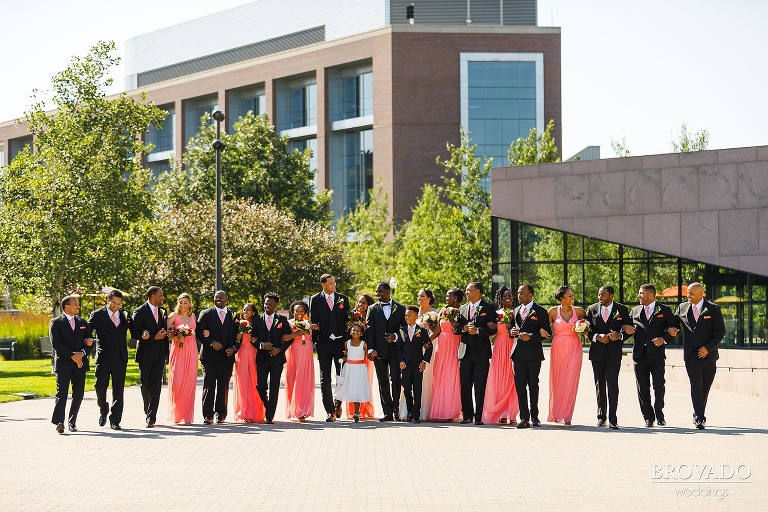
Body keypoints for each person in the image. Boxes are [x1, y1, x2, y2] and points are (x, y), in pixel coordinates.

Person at [672, 282, 725, 430]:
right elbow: (674, 324)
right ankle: (700, 419)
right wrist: (669, 330)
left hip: (709, 355)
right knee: (696, 385)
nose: (688, 296)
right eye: (687, 293)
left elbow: (720, 332)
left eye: (691, 294)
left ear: (701, 294)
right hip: (691, 355)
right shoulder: (682, 308)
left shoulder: (713, 309)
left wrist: (708, 348)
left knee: (705, 387)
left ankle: (697, 413)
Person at [624, 284, 678, 427]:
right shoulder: (635, 310)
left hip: (657, 355)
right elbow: (627, 326)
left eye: (641, 293)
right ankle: (648, 417)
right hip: (640, 356)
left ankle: (659, 414)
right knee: (642, 388)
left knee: (659, 385)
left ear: (651, 295)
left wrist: (664, 339)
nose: (639, 296)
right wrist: (624, 329)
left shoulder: (664, 310)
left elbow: (674, 329)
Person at [584, 285, 631, 429]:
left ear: (611, 296)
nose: (600, 297)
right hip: (597, 353)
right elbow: (586, 330)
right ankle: (601, 417)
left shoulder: (622, 310)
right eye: (599, 294)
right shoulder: (591, 309)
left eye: (603, 295)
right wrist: (597, 337)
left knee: (612, 384)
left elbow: (629, 328)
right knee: (599, 385)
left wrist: (620, 336)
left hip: (614, 353)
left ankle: (613, 418)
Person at [309, 274, 351, 422]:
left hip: (340, 343)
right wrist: (314, 340)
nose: (334, 285)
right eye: (331, 283)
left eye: (335, 282)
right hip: (324, 343)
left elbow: (348, 319)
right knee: (324, 378)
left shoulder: (342, 299)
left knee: (341, 377)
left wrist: (347, 341)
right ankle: (330, 411)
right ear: (323, 284)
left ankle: (338, 403)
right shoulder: (315, 299)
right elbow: (313, 320)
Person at [87, 289, 130, 430]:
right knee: (100, 387)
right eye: (113, 303)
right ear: (108, 300)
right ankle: (104, 409)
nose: (116, 306)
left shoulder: (125, 315)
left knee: (118, 390)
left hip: (120, 358)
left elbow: (136, 329)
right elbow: (87, 332)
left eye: (119, 304)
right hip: (104, 358)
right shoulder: (97, 315)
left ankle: (115, 420)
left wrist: (146, 333)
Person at [51, 295, 94, 433]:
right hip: (64, 364)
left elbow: (89, 341)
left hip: (80, 364)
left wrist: (82, 353)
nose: (78, 306)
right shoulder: (56, 322)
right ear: (66, 306)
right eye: (75, 304)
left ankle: (72, 421)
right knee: (62, 393)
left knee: (79, 393)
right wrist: (73, 356)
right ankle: (59, 421)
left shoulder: (82, 322)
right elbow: (56, 343)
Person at [511, 284, 551, 429]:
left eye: (522, 293)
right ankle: (524, 417)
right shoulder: (516, 310)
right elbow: (513, 327)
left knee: (533, 385)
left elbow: (547, 332)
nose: (519, 295)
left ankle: (535, 416)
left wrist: (532, 336)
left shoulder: (540, 311)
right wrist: (513, 332)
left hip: (533, 354)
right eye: (518, 293)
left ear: (530, 295)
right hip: (517, 354)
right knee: (520, 386)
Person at [196, 290, 239, 425]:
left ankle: (220, 415)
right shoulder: (206, 313)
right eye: (216, 297)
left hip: (226, 358)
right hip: (209, 357)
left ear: (227, 299)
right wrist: (211, 342)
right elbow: (198, 332)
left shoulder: (233, 315)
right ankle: (208, 415)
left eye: (222, 297)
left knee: (223, 386)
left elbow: (238, 335)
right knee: (209, 385)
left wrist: (234, 348)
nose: (219, 299)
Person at [366, 281, 407, 421]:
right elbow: (370, 330)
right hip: (379, 352)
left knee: (396, 380)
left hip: (396, 351)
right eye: (377, 292)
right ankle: (387, 412)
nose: (378, 294)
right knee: (382, 382)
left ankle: (396, 410)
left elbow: (404, 329)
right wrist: (371, 349)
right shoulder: (372, 309)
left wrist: (395, 336)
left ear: (388, 292)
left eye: (380, 292)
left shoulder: (400, 308)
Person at [456, 282, 496, 425]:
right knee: (465, 385)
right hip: (465, 352)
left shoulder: (489, 307)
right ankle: (467, 415)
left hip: (481, 353)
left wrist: (478, 331)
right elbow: (456, 328)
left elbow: (493, 329)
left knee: (480, 386)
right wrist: (464, 328)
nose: (466, 293)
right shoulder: (462, 308)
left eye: (469, 290)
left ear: (478, 291)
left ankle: (479, 417)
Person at [547, 286, 586, 426]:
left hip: (575, 347)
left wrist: (585, 330)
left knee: (570, 379)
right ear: (562, 298)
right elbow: (545, 329)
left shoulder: (580, 311)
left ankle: (568, 415)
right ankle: (558, 412)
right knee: (558, 380)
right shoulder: (552, 312)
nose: (572, 297)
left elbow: (588, 330)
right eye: (569, 296)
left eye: (572, 295)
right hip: (558, 348)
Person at [131, 286, 169, 428]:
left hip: (159, 353)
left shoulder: (163, 311)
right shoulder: (140, 311)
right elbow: (134, 331)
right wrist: (152, 337)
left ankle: (151, 417)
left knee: (156, 386)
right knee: (145, 385)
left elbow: (164, 331)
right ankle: (148, 409)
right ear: (153, 296)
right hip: (145, 355)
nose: (163, 297)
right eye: (161, 295)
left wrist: (167, 351)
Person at [255, 292, 294, 424]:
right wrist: (261, 345)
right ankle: (268, 404)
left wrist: (280, 349)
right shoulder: (257, 320)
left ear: (276, 305)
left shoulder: (282, 320)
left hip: (277, 359)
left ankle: (270, 415)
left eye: (270, 304)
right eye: (266, 304)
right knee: (261, 386)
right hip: (262, 359)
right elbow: (253, 339)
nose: (267, 306)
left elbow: (289, 339)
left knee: (274, 386)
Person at [482, 286, 519, 425]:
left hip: (513, 346)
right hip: (500, 347)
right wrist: (491, 326)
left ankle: (512, 413)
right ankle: (502, 413)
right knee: (500, 379)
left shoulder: (517, 312)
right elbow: (491, 333)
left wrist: (511, 325)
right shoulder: (496, 313)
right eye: (505, 296)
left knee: (513, 379)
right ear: (501, 298)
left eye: (510, 295)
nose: (508, 298)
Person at [430, 287, 464, 421]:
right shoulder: (442, 310)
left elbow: (463, 329)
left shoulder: (462, 311)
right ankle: (440, 410)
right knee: (439, 376)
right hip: (441, 347)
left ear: (456, 298)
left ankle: (451, 411)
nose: (446, 298)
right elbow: (437, 330)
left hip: (454, 346)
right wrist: (426, 341)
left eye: (448, 296)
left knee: (452, 377)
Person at [397, 305, 433, 423]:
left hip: (418, 365)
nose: (407, 317)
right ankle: (410, 410)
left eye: (409, 315)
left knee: (417, 389)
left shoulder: (422, 330)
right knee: (407, 388)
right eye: (406, 315)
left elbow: (429, 346)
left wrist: (424, 361)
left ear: (416, 316)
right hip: (406, 365)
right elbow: (399, 349)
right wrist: (401, 360)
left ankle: (416, 414)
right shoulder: (402, 330)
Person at [166, 293, 198, 425]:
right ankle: (177, 414)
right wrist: (177, 338)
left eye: (186, 302)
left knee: (189, 382)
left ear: (190, 303)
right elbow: (165, 334)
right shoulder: (173, 316)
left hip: (191, 349)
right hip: (178, 351)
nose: (183, 305)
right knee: (177, 382)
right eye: (181, 302)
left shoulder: (193, 316)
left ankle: (187, 416)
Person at [232, 303, 265, 423]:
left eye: (248, 310)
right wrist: (237, 337)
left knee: (253, 382)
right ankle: (244, 412)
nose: (245, 311)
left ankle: (254, 412)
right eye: (244, 309)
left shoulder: (258, 324)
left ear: (254, 312)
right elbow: (234, 341)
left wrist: (256, 339)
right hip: (241, 354)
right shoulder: (238, 324)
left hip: (254, 354)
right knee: (242, 383)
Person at [344, 294, 376, 420]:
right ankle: (353, 411)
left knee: (363, 382)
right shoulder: (351, 316)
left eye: (364, 303)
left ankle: (364, 409)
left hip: (364, 352)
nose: (360, 305)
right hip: (353, 353)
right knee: (352, 382)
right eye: (359, 302)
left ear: (368, 305)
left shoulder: (371, 316)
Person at [334, 323, 372, 422]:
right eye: (354, 330)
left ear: (361, 333)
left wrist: (373, 354)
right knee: (345, 387)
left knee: (357, 389)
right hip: (349, 368)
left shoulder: (364, 344)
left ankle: (356, 412)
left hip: (359, 369)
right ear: (350, 332)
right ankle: (338, 406)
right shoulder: (347, 343)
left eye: (358, 331)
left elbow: (368, 356)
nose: (356, 332)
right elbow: (347, 355)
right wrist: (343, 358)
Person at [285, 300, 315, 422]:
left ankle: (303, 409)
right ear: (292, 311)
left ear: (305, 312)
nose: (299, 313)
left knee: (305, 380)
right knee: (293, 379)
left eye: (302, 311)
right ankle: (294, 408)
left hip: (306, 353)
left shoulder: (309, 324)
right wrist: (295, 334)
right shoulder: (288, 323)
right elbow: (283, 337)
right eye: (297, 311)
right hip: (294, 353)